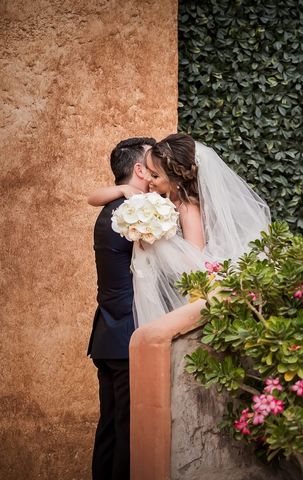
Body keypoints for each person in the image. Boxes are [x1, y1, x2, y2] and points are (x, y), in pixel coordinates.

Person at [89, 133, 271, 327]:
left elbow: (194, 261)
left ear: (174, 179)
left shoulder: (187, 208)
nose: (149, 179)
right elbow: (92, 198)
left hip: (183, 296)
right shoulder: (161, 200)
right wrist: (122, 189)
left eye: (155, 175)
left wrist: (157, 244)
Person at [87, 137, 156, 480]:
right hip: (129, 334)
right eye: (152, 160)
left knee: (111, 427)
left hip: (108, 335)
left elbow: (94, 196)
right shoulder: (136, 213)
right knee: (128, 431)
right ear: (140, 170)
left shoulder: (112, 208)